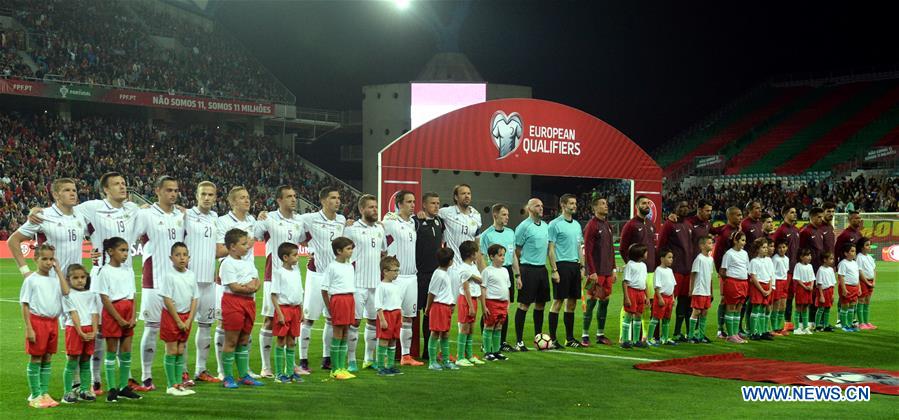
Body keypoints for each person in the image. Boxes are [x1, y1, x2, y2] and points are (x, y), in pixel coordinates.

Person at [132, 176, 184, 391]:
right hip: (154, 280)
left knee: (179, 329)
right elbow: (129, 236)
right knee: (152, 328)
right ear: (158, 191)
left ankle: (179, 375)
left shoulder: (181, 215)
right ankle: (146, 376)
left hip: (177, 281)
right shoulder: (145, 214)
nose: (173, 194)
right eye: (169, 190)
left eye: (176, 190)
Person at [254, 185, 304, 378]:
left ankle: (291, 366)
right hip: (272, 276)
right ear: (279, 200)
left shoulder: (300, 221)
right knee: (269, 320)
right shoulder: (268, 219)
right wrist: (259, 218)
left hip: (294, 277)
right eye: (289, 196)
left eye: (295, 196)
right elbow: (255, 235)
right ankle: (266, 366)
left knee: (293, 320)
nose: (293, 199)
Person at [299, 187, 347, 372]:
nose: (337, 201)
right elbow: (295, 228)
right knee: (309, 319)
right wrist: (264, 214)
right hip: (317, 275)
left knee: (331, 319)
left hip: (335, 277)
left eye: (338, 198)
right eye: (333, 198)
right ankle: (303, 359)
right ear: (323, 201)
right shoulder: (309, 219)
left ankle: (327, 357)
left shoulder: (342, 220)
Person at [214, 186, 260, 380]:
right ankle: (222, 370)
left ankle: (244, 370)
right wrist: (245, 244)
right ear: (232, 202)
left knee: (245, 331)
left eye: (248, 197)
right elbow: (219, 251)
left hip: (248, 275)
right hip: (230, 280)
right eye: (242, 198)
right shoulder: (223, 222)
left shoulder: (253, 221)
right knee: (224, 325)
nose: (247, 201)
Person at [21, 244, 70, 408]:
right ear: (36, 259)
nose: (49, 262)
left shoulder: (55, 279)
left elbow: (66, 291)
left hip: (52, 322)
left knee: (48, 357)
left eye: (51, 259)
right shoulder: (31, 280)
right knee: (36, 357)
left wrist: (58, 271)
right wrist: (29, 328)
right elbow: (25, 305)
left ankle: (43, 392)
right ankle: (35, 395)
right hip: (37, 322)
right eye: (45, 259)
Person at [95, 237, 142, 402]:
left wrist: (133, 315)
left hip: (128, 311)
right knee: (111, 352)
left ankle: (123, 387)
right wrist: (119, 318)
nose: (125, 254)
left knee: (126, 352)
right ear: (110, 252)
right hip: (113, 313)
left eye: (127, 250)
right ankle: (112, 388)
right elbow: (105, 298)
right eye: (122, 250)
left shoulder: (128, 270)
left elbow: (133, 294)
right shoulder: (105, 271)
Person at [343, 194, 387, 371]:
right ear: (362, 209)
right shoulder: (352, 229)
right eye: (371, 207)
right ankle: (351, 360)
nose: (374, 210)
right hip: (357, 283)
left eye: (376, 207)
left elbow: (383, 252)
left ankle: (369, 359)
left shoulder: (380, 229)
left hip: (375, 283)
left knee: (373, 322)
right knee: (354, 322)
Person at [9, 178, 86, 278]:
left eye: (74, 190)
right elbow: (13, 240)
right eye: (67, 190)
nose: (72, 194)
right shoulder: (43, 215)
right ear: (55, 195)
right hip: (51, 282)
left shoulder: (81, 215)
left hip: (75, 283)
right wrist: (25, 272)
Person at [184, 181, 220, 384]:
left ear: (215, 198)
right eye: (203, 194)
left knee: (206, 325)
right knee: (184, 327)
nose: (207, 198)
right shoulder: (185, 215)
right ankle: (182, 371)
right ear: (196, 195)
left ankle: (201, 369)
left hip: (209, 281)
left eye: (211, 195)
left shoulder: (215, 218)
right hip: (189, 280)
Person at [219, 228, 264, 389]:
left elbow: (257, 281)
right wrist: (249, 287)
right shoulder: (227, 263)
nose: (247, 247)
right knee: (231, 340)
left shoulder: (248, 263)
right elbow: (234, 287)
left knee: (244, 339)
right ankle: (228, 377)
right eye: (243, 244)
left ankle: (244, 375)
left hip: (249, 303)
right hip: (233, 302)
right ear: (232, 247)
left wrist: (252, 287)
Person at [383, 190, 423, 366]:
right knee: (392, 316)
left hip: (411, 277)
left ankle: (405, 356)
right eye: (409, 202)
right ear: (399, 204)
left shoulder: (413, 223)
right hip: (396, 278)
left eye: (414, 201)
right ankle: (384, 355)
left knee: (408, 318)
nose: (413, 205)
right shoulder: (390, 222)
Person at [160, 243, 199, 397]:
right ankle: (171, 385)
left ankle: (179, 384)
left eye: (184, 254)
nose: (182, 258)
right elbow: (167, 299)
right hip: (172, 317)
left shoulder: (191, 275)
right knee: (172, 350)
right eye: (178, 255)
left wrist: (189, 319)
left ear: (189, 257)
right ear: (171, 258)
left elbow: (195, 298)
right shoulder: (169, 275)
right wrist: (177, 320)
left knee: (181, 349)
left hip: (186, 317)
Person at [513, 198, 551, 352]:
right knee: (524, 304)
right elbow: (516, 251)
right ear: (529, 208)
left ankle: (538, 338)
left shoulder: (545, 226)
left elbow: (548, 249)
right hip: (527, 269)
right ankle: (519, 341)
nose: (541, 208)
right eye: (537, 206)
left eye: (542, 205)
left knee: (541, 304)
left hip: (542, 269)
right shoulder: (523, 227)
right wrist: (518, 272)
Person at [479, 203, 518, 351]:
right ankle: (485, 344)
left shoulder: (510, 233)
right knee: (489, 310)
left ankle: (501, 342)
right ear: (495, 215)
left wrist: (518, 275)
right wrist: (486, 275)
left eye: (507, 215)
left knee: (504, 308)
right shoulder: (486, 234)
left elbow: (513, 255)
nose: (507, 217)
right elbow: (481, 257)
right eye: (504, 214)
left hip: (506, 272)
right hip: (492, 272)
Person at [547, 194, 584, 348]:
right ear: (563, 205)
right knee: (558, 302)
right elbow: (551, 248)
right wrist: (554, 270)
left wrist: (582, 266)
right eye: (571, 203)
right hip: (561, 266)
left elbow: (580, 247)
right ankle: (553, 339)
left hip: (575, 266)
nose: (574, 206)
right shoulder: (554, 224)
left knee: (572, 303)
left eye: (575, 203)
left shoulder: (576, 225)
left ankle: (569, 338)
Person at [619, 195, 657, 343]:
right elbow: (623, 248)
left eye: (648, 203)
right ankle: (624, 336)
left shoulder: (650, 224)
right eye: (643, 203)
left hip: (650, 271)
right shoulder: (630, 225)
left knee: (647, 305)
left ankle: (645, 337)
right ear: (637, 206)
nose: (646, 205)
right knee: (628, 306)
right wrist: (631, 265)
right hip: (636, 272)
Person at [320, 237, 357, 380]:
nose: (351, 251)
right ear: (339, 251)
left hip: (349, 299)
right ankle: (335, 369)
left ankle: (342, 367)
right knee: (338, 333)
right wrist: (329, 307)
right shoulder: (332, 267)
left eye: (351, 248)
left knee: (346, 333)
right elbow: (324, 289)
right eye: (348, 249)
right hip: (338, 299)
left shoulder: (350, 266)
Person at [61, 264, 98, 403]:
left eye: (82, 277)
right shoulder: (68, 295)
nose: (80, 280)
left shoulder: (91, 294)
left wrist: (94, 330)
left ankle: (84, 390)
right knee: (72, 361)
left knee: (86, 361)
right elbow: (73, 314)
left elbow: (94, 313)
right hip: (75, 330)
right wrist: (80, 332)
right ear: (69, 280)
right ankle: (67, 392)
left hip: (89, 329)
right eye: (75, 278)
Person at [414, 192, 445, 359]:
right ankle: (409, 351)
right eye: (433, 203)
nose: (436, 206)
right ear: (424, 205)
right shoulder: (416, 221)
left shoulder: (440, 221)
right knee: (416, 312)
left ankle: (428, 350)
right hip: (420, 274)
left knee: (431, 312)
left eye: (438, 203)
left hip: (436, 274)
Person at [581, 197, 616, 346]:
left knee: (605, 301)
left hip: (607, 271)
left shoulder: (607, 225)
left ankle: (600, 335)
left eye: (606, 204)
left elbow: (611, 249)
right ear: (594, 208)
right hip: (595, 273)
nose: (606, 206)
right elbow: (587, 251)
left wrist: (613, 269)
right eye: (602, 204)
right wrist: (591, 271)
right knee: (591, 301)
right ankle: (585, 335)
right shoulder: (591, 225)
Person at [657, 200, 693, 342]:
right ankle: (660, 334)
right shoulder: (669, 224)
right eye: (681, 206)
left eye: (686, 206)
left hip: (687, 269)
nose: (684, 209)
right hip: (675, 270)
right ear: (675, 209)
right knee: (670, 301)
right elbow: (660, 246)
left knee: (685, 302)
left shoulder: (688, 224)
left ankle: (677, 332)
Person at [270, 242, 304, 383]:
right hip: (284, 309)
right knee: (281, 340)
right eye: (295, 255)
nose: (298, 258)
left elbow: (300, 291)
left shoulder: (297, 271)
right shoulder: (278, 273)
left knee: (292, 341)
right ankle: (279, 374)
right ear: (285, 257)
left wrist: (301, 310)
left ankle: (290, 372)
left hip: (296, 309)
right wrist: (280, 313)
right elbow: (273, 295)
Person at [425, 248, 459, 371]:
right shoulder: (438, 274)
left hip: (445, 307)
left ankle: (445, 361)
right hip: (438, 306)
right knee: (435, 333)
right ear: (450, 261)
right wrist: (428, 308)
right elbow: (432, 292)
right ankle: (432, 362)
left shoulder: (444, 273)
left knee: (445, 334)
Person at [452, 240, 484, 366]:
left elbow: (479, 280)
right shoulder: (464, 269)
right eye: (476, 252)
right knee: (464, 328)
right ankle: (460, 357)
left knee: (471, 328)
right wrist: (471, 306)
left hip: (473, 299)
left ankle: (469, 355)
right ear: (471, 254)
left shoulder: (473, 266)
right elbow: (466, 288)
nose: (478, 254)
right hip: (466, 300)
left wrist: (475, 278)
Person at [713, 207, 742, 338]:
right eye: (738, 215)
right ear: (730, 216)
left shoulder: (737, 230)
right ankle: (720, 329)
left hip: (736, 272)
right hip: (726, 272)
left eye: (741, 215)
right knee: (725, 299)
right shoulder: (725, 232)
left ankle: (736, 328)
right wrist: (720, 270)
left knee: (736, 300)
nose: (740, 217)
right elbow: (717, 253)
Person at [437, 184, 482, 267]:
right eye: (463, 193)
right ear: (456, 197)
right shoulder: (446, 212)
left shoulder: (476, 215)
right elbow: (431, 213)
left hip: (470, 267)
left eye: (469, 193)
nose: (467, 196)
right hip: (452, 267)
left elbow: (477, 245)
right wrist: (422, 214)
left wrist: (481, 269)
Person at [481, 244, 511, 361]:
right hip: (492, 302)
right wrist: (484, 306)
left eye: (504, 255)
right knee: (489, 326)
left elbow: (507, 287)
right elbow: (483, 289)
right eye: (500, 255)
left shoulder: (505, 271)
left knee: (499, 327)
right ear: (492, 257)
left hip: (503, 303)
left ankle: (496, 351)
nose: (503, 258)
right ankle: (487, 351)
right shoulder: (487, 271)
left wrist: (507, 303)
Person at [771, 206, 799, 329]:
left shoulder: (797, 230)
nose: (795, 214)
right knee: (781, 298)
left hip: (794, 268)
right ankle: (778, 324)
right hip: (783, 271)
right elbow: (774, 248)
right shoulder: (780, 231)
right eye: (792, 212)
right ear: (784, 215)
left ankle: (787, 322)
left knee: (791, 296)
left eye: (795, 212)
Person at [375, 256, 403, 376]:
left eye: (398, 270)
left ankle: (390, 365)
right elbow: (378, 305)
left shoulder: (396, 286)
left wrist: (400, 316)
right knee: (384, 341)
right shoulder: (381, 286)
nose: (397, 274)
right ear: (385, 271)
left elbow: (398, 302)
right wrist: (382, 319)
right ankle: (381, 367)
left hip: (396, 314)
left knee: (393, 340)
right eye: (394, 271)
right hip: (386, 315)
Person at [720, 231, 749, 344]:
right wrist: (731, 280)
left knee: (739, 308)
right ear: (735, 241)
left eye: (745, 240)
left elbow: (746, 268)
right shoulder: (729, 254)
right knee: (731, 308)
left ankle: (735, 334)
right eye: (742, 240)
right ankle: (730, 335)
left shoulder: (745, 253)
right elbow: (723, 271)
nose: (744, 243)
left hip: (743, 283)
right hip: (733, 283)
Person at [800, 207, 825, 328]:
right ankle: (802, 322)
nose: (821, 219)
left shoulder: (819, 231)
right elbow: (801, 250)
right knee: (805, 295)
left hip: (818, 267)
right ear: (812, 217)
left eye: (822, 217)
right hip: (808, 268)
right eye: (819, 217)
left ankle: (813, 321)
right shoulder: (805, 231)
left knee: (816, 295)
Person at [621, 243, 649, 349]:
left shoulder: (643, 265)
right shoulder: (630, 265)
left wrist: (647, 296)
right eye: (645, 252)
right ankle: (625, 340)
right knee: (628, 315)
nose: (647, 253)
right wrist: (626, 297)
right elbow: (625, 282)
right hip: (631, 291)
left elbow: (644, 281)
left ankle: (636, 340)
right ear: (640, 253)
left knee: (638, 315)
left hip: (641, 293)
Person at [688, 235, 714, 344]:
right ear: (702, 246)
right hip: (698, 290)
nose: (711, 245)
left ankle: (701, 335)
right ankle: (690, 336)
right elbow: (693, 275)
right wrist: (691, 290)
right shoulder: (698, 259)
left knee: (704, 312)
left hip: (706, 291)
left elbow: (711, 276)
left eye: (712, 243)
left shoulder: (710, 259)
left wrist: (711, 291)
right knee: (696, 312)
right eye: (709, 243)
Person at [648, 248, 676, 346]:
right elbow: (656, 287)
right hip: (661, 298)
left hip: (669, 298)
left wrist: (673, 298)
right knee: (655, 318)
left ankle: (665, 338)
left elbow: (673, 285)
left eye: (672, 257)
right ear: (662, 259)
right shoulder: (658, 270)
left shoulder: (670, 270)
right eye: (669, 257)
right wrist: (660, 298)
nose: (671, 259)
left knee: (666, 319)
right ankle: (649, 338)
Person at [747, 238, 773, 341]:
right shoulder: (754, 261)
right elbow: (753, 277)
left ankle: (762, 331)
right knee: (756, 308)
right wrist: (762, 290)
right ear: (757, 249)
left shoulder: (769, 260)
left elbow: (771, 275)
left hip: (767, 286)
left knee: (763, 308)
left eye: (766, 247)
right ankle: (754, 332)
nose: (766, 249)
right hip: (758, 287)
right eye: (763, 247)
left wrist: (770, 288)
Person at [836, 243, 860, 333]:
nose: (854, 253)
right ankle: (843, 325)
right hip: (847, 287)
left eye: (855, 251)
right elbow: (841, 277)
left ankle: (850, 324)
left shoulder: (855, 263)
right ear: (846, 253)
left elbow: (857, 276)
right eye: (852, 251)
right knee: (845, 305)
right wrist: (844, 289)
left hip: (855, 287)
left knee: (852, 306)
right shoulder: (843, 263)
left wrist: (859, 287)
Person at [791, 249, 816, 335]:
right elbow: (797, 279)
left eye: (810, 255)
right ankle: (796, 328)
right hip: (801, 288)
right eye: (807, 255)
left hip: (809, 288)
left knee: (806, 307)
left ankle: (805, 327)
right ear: (801, 257)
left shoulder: (810, 266)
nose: (810, 257)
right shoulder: (798, 265)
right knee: (798, 307)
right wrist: (805, 286)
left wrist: (811, 286)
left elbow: (812, 278)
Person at [855, 237, 876, 330]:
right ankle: (861, 323)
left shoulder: (870, 257)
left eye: (869, 244)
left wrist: (874, 281)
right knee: (861, 301)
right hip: (863, 282)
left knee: (867, 301)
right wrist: (867, 282)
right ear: (861, 247)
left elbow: (874, 270)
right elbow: (859, 271)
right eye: (867, 245)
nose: (869, 246)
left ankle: (867, 322)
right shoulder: (859, 257)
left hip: (870, 282)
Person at [771, 240, 790, 335]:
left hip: (784, 282)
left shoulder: (787, 259)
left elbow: (786, 271)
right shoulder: (775, 258)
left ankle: (779, 327)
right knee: (776, 305)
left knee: (783, 306)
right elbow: (772, 272)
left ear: (787, 248)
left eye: (784, 247)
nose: (782, 249)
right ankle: (774, 327)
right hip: (777, 282)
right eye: (779, 247)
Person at [814, 251, 836, 332]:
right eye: (830, 259)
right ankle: (817, 326)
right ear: (824, 260)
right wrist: (821, 295)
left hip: (830, 291)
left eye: (833, 259)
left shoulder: (831, 269)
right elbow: (819, 284)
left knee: (827, 309)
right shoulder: (821, 270)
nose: (832, 260)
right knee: (821, 309)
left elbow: (833, 283)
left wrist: (833, 294)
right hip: (823, 291)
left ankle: (826, 325)